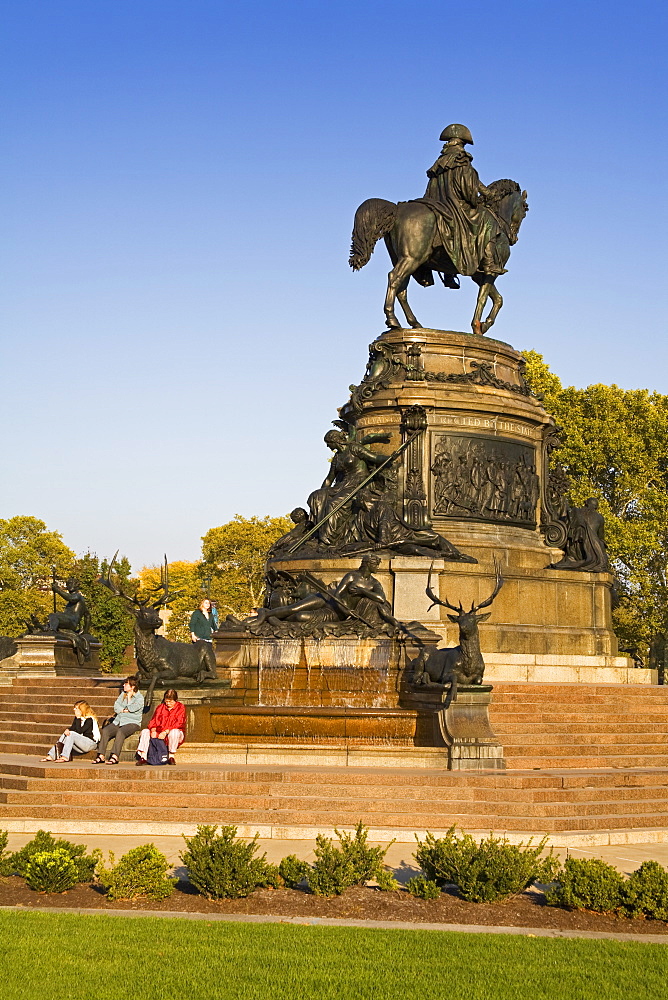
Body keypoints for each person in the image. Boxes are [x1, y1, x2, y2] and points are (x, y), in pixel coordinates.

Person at [94, 676, 144, 765]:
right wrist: (123, 710)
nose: (124, 685)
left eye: (126, 684)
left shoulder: (139, 698)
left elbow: (132, 708)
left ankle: (115, 756)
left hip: (132, 723)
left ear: (132, 687)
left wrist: (128, 700)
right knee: (106, 731)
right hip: (119, 721)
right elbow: (116, 707)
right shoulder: (122, 694)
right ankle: (101, 755)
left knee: (121, 732)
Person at [135, 688, 186, 766]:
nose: (168, 703)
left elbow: (179, 723)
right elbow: (153, 721)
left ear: (175, 700)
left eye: (171, 701)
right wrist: (153, 729)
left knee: (174, 732)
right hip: (159, 732)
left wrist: (166, 732)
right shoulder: (160, 707)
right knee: (145, 731)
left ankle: (171, 756)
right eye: (167, 701)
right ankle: (143, 757)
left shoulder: (180, 707)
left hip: (174, 733)